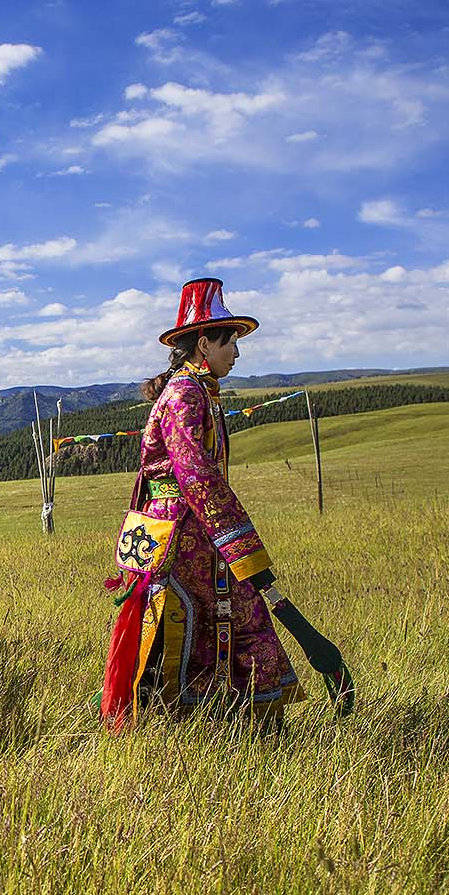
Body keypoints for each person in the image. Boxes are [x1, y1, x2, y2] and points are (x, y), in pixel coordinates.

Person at [101, 277, 304, 729]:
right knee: (235, 614)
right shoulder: (185, 394)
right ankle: (231, 721)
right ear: (205, 344)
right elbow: (196, 475)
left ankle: (218, 718)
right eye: (231, 342)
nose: (237, 353)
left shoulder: (197, 391)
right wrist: (241, 545)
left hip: (192, 529)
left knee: (230, 615)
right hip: (182, 534)